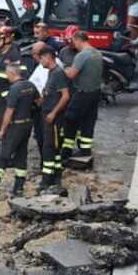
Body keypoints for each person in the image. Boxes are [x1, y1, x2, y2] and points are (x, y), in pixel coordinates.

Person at [0, 64, 39, 198]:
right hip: (27, 125)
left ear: (12, 74)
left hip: (15, 126)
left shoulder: (14, 89)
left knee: (2, 156)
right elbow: (39, 102)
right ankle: (18, 188)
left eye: (7, 74)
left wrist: (2, 130)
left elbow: (9, 112)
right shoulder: (30, 85)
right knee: (21, 156)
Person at [63, 31, 103, 160]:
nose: (74, 45)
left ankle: (66, 149)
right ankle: (85, 149)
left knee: (70, 119)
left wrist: (63, 68)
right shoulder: (97, 53)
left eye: (74, 42)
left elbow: (71, 75)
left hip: (82, 93)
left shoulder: (82, 56)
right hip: (95, 92)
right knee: (88, 121)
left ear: (79, 40)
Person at [37, 46, 70, 193]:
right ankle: (56, 176)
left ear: (48, 57)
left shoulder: (58, 73)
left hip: (54, 119)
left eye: (42, 58)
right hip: (48, 115)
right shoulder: (51, 73)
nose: (41, 62)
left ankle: (47, 179)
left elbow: (65, 96)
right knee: (53, 149)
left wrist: (53, 113)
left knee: (49, 148)